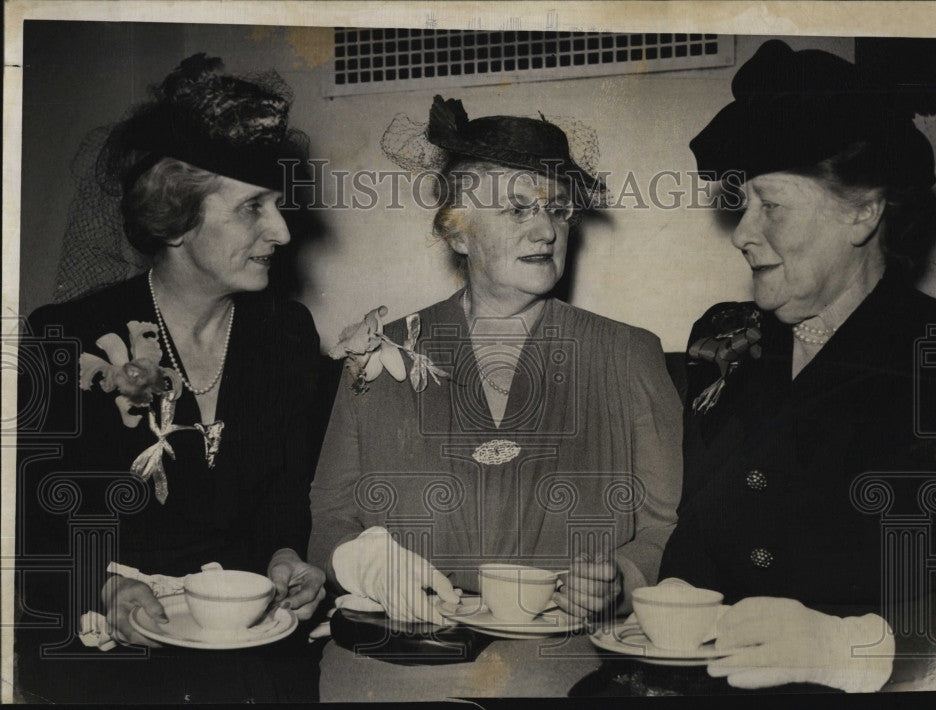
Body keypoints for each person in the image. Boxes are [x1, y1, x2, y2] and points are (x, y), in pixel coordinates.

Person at [15, 54, 327, 703]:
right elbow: (34, 526)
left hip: (241, 651)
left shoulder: (287, 335)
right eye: (252, 209)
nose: (281, 228)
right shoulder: (68, 339)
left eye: (279, 205)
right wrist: (104, 585)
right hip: (108, 660)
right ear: (175, 218)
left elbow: (281, 497)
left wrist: (283, 560)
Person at [308, 96, 683, 632]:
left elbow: (667, 529)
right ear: (459, 232)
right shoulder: (379, 350)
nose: (547, 231)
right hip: (412, 651)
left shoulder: (628, 355)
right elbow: (330, 516)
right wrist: (361, 565)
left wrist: (622, 581)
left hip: (570, 656)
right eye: (517, 209)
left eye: (557, 209)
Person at [657, 40, 936, 693]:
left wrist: (856, 647)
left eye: (773, 206)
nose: (742, 232)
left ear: (863, 212)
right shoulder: (722, 341)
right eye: (744, 205)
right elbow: (696, 537)